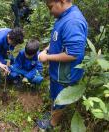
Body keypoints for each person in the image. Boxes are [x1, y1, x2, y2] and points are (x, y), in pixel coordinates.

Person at [36, 0, 88, 130]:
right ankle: (53, 113)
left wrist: (47, 57)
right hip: (58, 72)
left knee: (61, 99)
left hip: (65, 74)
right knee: (55, 96)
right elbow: (58, 40)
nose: (50, 11)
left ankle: (52, 123)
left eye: (50, 7)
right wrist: (47, 49)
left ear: (62, 1)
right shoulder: (64, 16)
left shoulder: (73, 22)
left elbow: (73, 54)